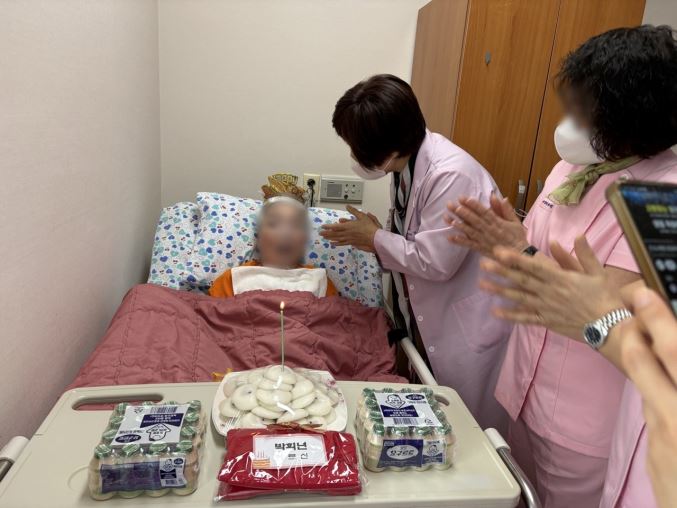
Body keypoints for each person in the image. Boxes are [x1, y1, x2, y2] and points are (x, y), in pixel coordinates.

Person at [446, 25, 677, 507]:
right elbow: (537, 246)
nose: (568, 122)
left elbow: (595, 306)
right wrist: (511, 239)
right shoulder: (573, 168)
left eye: (583, 110)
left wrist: (518, 251)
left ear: (631, 114)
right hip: (526, 383)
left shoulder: (661, 194)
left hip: (582, 417)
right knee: (520, 494)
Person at [320, 74, 510, 431]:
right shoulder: (405, 165)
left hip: (470, 323)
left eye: (354, 147)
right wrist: (379, 234)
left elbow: (435, 261)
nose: (353, 156)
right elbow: (412, 231)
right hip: (432, 317)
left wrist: (374, 238)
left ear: (389, 150)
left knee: (473, 431)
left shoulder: (452, 175)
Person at [475, 238, 676, 508]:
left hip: (594, 433)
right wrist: (598, 320)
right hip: (627, 457)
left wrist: (598, 318)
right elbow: (630, 319)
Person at [210, 175, 337, 298]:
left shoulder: (320, 282)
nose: (286, 233)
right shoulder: (232, 280)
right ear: (259, 238)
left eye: (296, 224)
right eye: (274, 223)